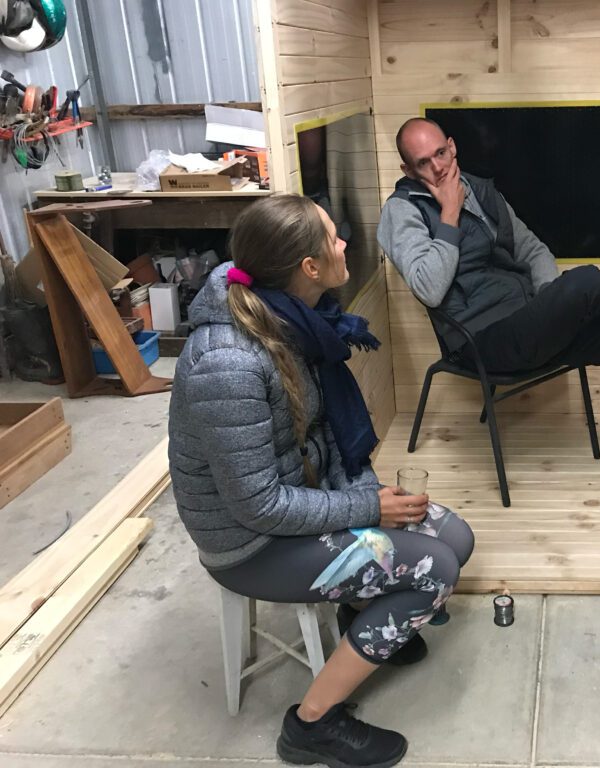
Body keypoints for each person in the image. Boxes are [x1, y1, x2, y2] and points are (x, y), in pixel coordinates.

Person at [168, 194, 474, 768]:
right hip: (251, 544)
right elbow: (258, 506)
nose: (344, 245)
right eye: (333, 238)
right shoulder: (228, 364)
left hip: (306, 498)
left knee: (455, 538)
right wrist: (365, 508)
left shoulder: (296, 320)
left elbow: (327, 434)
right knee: (435, 569)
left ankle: (361, 614)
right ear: (309, 269)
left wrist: (370, 495)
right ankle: (312, 724)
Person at [377, 118, 600, 517]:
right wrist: (448, 215)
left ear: (452, 146)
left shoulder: (481, 190)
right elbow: (428, 288)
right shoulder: (401, 212)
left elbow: (532, 249)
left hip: (529, 326)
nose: (438, 167)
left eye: (441, 153)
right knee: (587, 280)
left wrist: (551, 305)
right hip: (483, 341)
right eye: (423, 162)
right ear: (407, 171)